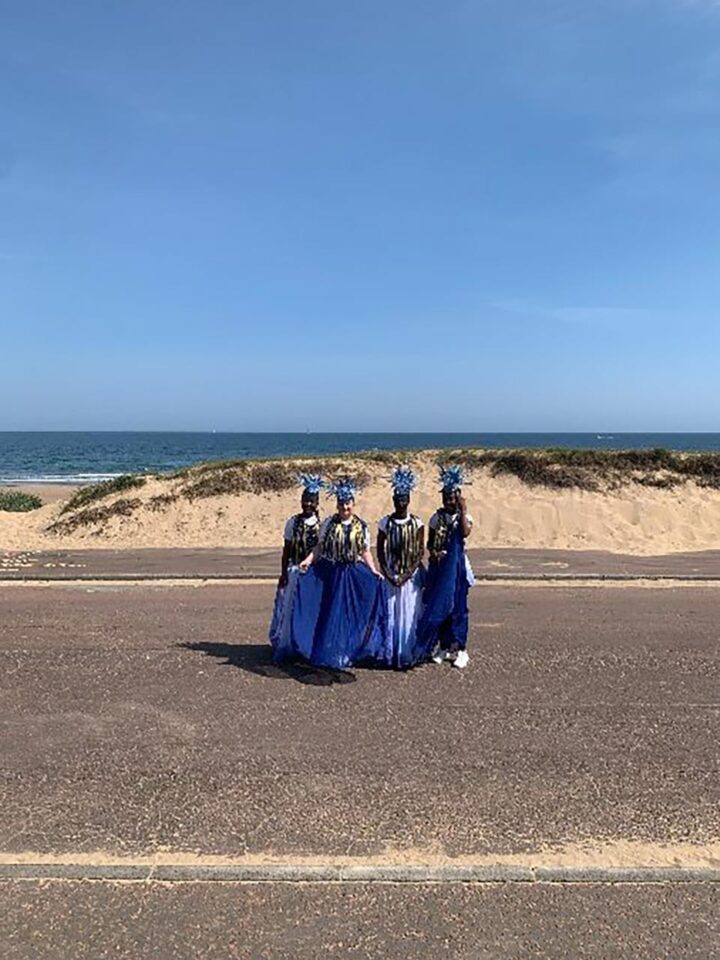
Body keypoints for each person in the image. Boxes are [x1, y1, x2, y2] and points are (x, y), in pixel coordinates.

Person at [274, 477, 389, 670]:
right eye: (342, 503)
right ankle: (325, 648)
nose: (345, 507)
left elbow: (365, 551)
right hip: (331, 573)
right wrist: (308, 561)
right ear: (337, 504)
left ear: (353, 504)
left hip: (352, 574)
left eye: (348, 503)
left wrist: (373, 570)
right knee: (328, 611)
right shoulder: (328, 523)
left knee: (347, 612)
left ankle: (344, 650)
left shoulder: (361, 526)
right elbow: (319, 548)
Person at [413, 465, 474, 669]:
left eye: (452, 497)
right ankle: (444, 645)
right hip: (439, 568)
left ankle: (461, 649)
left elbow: (465, 533)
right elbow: (430, 543)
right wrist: (434, 552)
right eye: (446, 496)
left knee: (458, 608)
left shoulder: (463, 518)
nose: (448, 501)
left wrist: (463, 510)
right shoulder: (436, 518)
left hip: (457, 569)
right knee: (439, 606)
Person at [376, 465, 426, 669]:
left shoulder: (417, 523)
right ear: (393, 500)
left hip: (410, 577)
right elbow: (380, 550)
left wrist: (407, 574)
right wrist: (387, 573)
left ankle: (407, 653)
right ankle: (390, 654)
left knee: (409, 615)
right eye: (397, 499)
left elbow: (420, 552)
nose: (400, 503)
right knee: (391, 615)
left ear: (409, 500)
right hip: (390, 576)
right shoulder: (385, 523)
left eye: (404, 499)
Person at [268, 474, 324, 651]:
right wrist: (284, 573)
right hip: (294, 571)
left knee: (309, 610)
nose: (308, 504)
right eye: (305, 500)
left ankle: (307, 644)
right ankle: (289, 642)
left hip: (313, 575)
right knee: (290, 608)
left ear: (317, 503)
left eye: (312, 501)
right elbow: (287, 550)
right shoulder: (293, 522)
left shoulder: (322, 525)